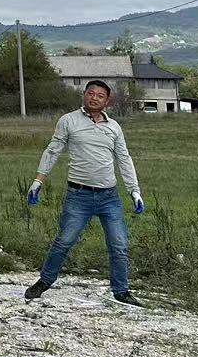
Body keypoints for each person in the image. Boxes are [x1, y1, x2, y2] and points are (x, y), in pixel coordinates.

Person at [24, 81, 145, 306]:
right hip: (78, 196)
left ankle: (121, 291)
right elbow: (53, 150)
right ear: (84, 95)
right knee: (64, 241)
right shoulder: (68, 121)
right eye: (91, 93)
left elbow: (124, 159)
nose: (94, 98)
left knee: (119, 245)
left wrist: (134, 191)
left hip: (109, 198)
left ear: (107, 101)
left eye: (100, 95)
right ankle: (44, 281)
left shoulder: (114, 127)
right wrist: (38, 181)